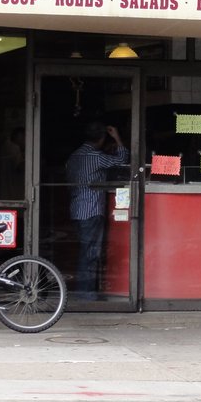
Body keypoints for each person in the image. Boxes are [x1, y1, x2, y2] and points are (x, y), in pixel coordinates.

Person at [66, 121, 130, 299]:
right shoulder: (96, 156)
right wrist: (117, 137)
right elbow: (122, 158)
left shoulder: (74, 156)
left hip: (77, 209)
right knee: (90, 254)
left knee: (86, 252)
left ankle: (86, 292)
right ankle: (86, 294)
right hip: (92, 210)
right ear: (101, 138)